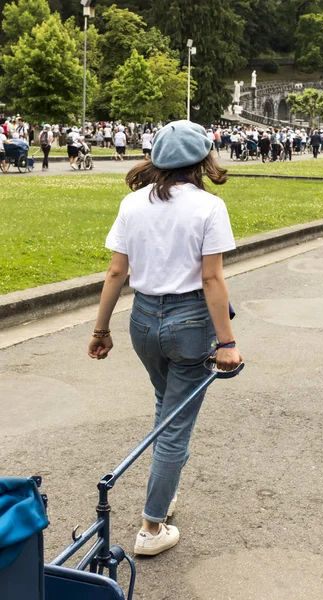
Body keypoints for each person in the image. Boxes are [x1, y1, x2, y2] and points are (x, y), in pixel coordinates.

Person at [88, 120, 242, 556]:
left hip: (143, 321)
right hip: (190, 320)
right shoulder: (208, 208)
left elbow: (117, 271)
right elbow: (211, 279)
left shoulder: (132, 203)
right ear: (201, 161)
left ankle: (164, 489)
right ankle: (151, 527)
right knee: (176, 426)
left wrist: (101, 330)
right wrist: (228, 343)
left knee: (166, 405)